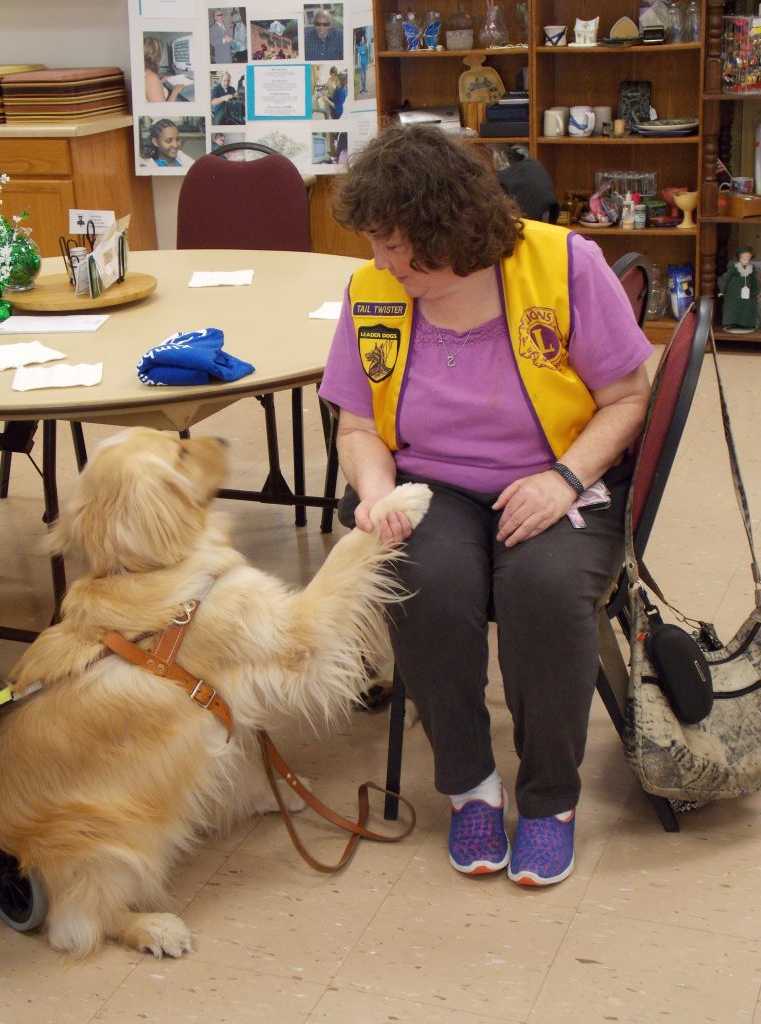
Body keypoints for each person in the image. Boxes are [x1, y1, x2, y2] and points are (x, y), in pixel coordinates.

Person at [319, 125, 652, 888]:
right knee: (424, 584)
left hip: (560, 473)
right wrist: (376, 496)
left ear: (450, 232)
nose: (380, 262)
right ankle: (471, 785)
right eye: (375, 243)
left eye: (396, 244)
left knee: (541, 590)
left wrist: (564, 479)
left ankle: (549, 800)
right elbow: (358, 425)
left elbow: (629, 398)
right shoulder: (375, 290)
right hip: (431, 482)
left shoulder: (566, 264)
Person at [718, 246, 759, 333]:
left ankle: (746, 324)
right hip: (734, 291)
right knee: (733, 306)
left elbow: (754, 280)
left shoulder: (751, 268)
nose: (746, 261)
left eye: (748, 259)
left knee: (747, 306)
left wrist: (756, 291)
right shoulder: (734, 267)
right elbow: (727, 278)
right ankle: (731, 323)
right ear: (740, 258)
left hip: (747, 292)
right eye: (744, 258)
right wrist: (723, 290)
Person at [143, 37, 186, 103]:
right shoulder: (151, 77)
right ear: (155, 56)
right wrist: (175, 91)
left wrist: (160, 81)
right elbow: (162, 112)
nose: (164, 56)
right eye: (161, 53)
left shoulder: (145, 72)